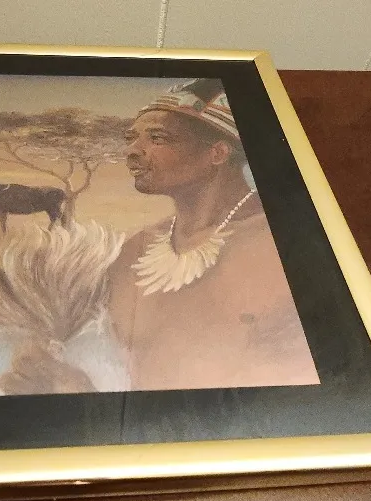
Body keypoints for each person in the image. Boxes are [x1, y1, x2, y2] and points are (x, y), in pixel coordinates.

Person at [107, 78, 320, 390]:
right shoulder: (133, 251)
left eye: (157, 138)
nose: (132, 151)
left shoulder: (283, 242)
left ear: (218, 153)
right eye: (132, 138)